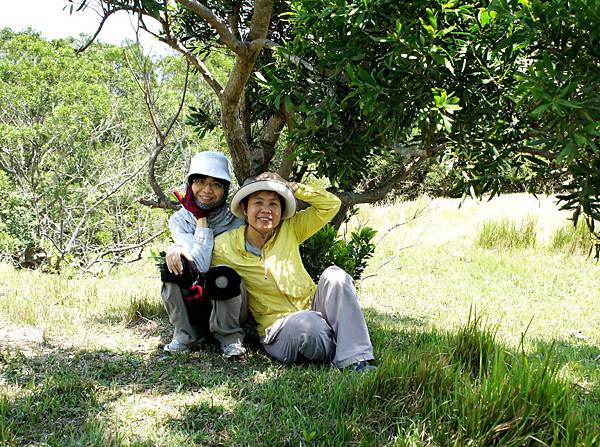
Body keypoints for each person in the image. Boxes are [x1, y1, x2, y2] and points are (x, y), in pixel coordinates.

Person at [197, 172, 376, 372]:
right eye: (258, 203)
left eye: (273, 204)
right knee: (309, 328)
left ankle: (357, 359)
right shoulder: (224, 246)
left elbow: (331, 204)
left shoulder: (290, 229)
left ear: (282, 211)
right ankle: (343, 337)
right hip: (278, 328)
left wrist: (291, 186)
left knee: (336, 275)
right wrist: (178, 249)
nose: (266, 210)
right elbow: (199, 263)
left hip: (313, 307)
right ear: (244, 209)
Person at [161, 151, 246, 358]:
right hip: (196, 299)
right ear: (190, 185)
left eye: (216, 184)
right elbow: (200, 264)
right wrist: (199, 219)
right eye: (199, 181)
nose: (207, 190)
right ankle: (186, 334)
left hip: (230, 299)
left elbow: (210, 266)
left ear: (225, 190)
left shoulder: (236, 219)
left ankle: (230, 338)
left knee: (224, 275)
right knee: (172, 267)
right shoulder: (179, 220)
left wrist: (201, 217)